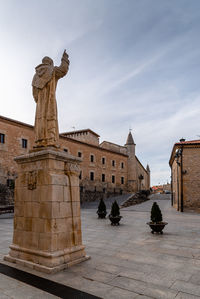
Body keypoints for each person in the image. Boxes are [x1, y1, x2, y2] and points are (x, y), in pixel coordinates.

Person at [32, 50, 69, 148]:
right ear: (50, 62)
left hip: (40, 103)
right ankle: (50, 140)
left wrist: (38, 100)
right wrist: (65, 59)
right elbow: (63, 70)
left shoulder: (36, 76)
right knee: (50, 115)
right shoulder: (52, 70)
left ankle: (40, 141)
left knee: (41, 119)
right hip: (50, 98)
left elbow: (34, 93)